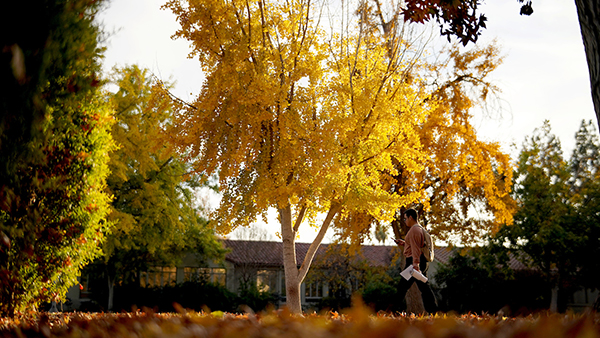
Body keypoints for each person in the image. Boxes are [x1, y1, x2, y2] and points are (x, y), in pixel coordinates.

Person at [393, 208, 438, 313]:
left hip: (414, 262)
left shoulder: (414, 230)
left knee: (402, 288)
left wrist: (415, 265)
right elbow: (416, 245)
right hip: (419, 261)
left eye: (405, 219)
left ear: (410, 217)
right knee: (424, 288)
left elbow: (416, 249)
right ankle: (433, 311)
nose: (405, 221)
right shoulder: (419, 229)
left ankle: (394, 311)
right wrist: (404, 243)